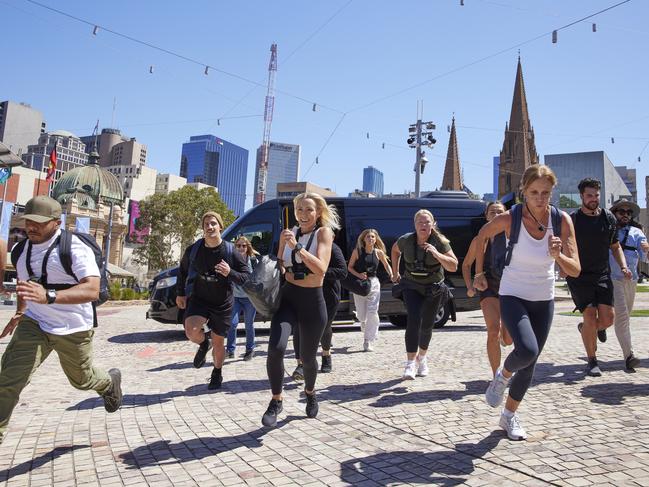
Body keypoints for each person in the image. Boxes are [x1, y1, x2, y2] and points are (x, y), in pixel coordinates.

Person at [0, 196, 123, 445]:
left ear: (56, 223)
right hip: (34, 323)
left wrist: (50, 296)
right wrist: (20, 312)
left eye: (39, 223)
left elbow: (92, 290)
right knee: (8, 380)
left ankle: (109, 383)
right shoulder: (21, 251)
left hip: (74, 327)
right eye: (28, 221)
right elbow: (27, 286)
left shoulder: (75, 248)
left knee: (82, 380)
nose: (31, 227)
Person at [474, 165, 580, 441]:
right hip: (512, 294)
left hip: (543, 298)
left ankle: (508, 416)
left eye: (545, 192)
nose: (540, 198)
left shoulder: (562, 220)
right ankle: (503, 374)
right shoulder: (511, 218)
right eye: (534, 192)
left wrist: (557, 255)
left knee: (530, 362)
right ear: (523, 191)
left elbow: (575, 269)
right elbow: (481, 236)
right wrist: (478, 272)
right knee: (527, 349)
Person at [262, 192, 338, 427]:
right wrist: (281, 254)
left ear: (318, 213)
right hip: (289, 298)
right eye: (299, 210)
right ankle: (276, 400)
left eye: (309, 210)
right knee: (276, 348)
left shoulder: (323, 233)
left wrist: (297, 248)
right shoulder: (289, 233)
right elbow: (279, 268)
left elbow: (321, 269)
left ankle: (310, 392)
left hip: (313, 302)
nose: (303, 215)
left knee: (307, 359)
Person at [176, 212, 249, 390]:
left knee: (218, 342)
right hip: (200, 298)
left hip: (222, 302)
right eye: (206, 224)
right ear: (203, 229)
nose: (210, 227)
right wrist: (180, 293)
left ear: (220, 227)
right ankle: (203, 343)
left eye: (213, 224)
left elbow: (246, 277)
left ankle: (217, 372)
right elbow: (183, 271)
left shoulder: (231, 251)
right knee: (191, 331)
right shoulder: (194, 250)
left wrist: (229, 273)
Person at [567, 178, 631, 377]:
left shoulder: (608, 218)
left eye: (596, 195)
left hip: (602, 274)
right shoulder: (573, 220)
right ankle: (592, 361)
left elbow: (615, 246)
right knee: (589, 315)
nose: (593, 199)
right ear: (581, 197)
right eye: (589, 195)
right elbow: (564, 245)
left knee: (608, 319)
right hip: (579, 276)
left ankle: (589, 329)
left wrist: (623, 266)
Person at [391, 209, 458, 380]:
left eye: (427, 222)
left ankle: (422, 358)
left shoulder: (441, 242)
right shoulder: (406, 240)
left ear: (433, 224)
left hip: (433, 288)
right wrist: (395, 271)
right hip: (411, 286)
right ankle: (410, 363)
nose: (423, 225)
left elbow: (453, 266)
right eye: (420, 222)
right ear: (414, 225)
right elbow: (395, 250)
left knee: (427, 325)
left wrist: (436, 253)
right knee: (413, 319)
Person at [462, 201, 512, 377]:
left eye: (500, 212)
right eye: (492, 212)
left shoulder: (511, 236)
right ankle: (496, 375)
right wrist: (470, 286)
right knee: (492, 330)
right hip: (489, 286)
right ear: (486, 215)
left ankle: (504, 338)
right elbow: (466, 265)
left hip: (510, 286)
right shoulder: (479, 240)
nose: (496, 215)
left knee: (508, 338)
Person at [292, 241, 347, 378]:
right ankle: (301, 365)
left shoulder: (332, 247)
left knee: (324, 326)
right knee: (299, 327)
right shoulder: (301, 246)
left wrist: (317, 270)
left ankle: (326, 354)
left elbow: (342, 272)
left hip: (328, 294)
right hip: (305, 291)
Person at [608, 198, 649, 372]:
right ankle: (629, 356)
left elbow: (645, 257)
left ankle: (592, 327)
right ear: (615, 213)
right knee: (622, 316)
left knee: (623, 317)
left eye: (628, 212)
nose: (625, 215)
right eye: (621, 212)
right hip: (612, 278)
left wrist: (647, 250)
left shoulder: (637, 232)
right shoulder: (608, 230)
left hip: (631, 280)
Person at [347, 229, 393, 352]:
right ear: (363, 239)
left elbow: (386, 265)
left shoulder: (378, 253)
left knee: (372, 311)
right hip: (360, 284)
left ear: (376, 239)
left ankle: (368, 341)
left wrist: (392, 274)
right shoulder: (357, 252)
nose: (370, 239)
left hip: (373, 283)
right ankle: (363, 322)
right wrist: (358, 275)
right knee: (362, 315)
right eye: (368, 236)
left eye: (373, 237)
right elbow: (349, 267)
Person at [226, 236, 259, 361]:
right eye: (238, 245)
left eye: (244, 246)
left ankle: (250, 350)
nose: (241, 248)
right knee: (232, 323)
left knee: (248, 324)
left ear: (247, 247)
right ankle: (230, 350)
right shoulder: (231, 260)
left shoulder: (253, 260)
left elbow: (258, 277)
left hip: (249, 298)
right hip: (235, 297)